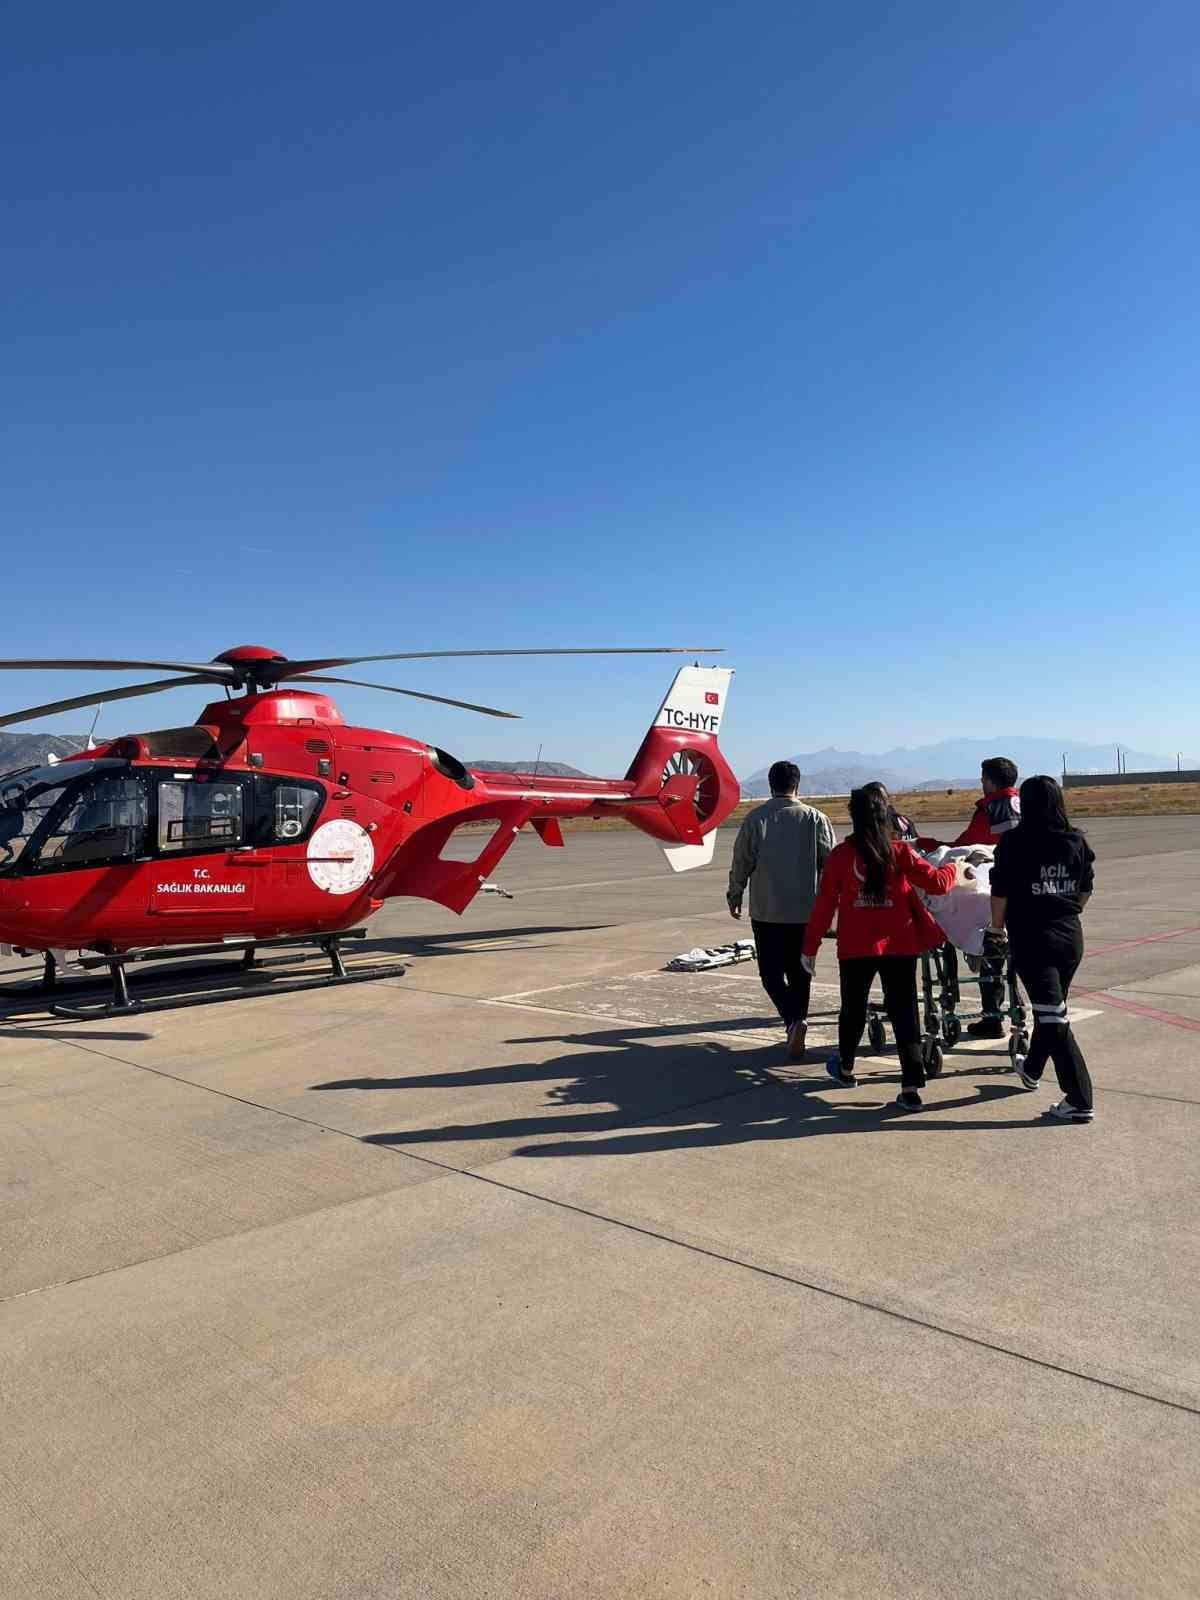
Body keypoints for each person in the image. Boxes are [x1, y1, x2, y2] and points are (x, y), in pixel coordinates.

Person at [802, 783, 966, 1110]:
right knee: (905, 1012)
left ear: (853, 815)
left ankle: (846, 1068)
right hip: (900, 944)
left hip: (855, 946)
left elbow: (823, 907)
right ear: (885, 814)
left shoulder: (840, 857)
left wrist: (810, 947)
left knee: (852, 1009)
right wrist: (955, 867)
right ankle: (910, 1087)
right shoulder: (900, 852)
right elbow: (937, 882)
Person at [988, 775, 1096, 1122]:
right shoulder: (1076, 841)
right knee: (1051, 1010)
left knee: (1053, 1016)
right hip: (1069, 937)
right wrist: (1067, 910)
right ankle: (1032, 1069)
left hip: (1034, 940)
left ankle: (1079, 1099)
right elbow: (1085, 888)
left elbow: (1000, 892)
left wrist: (996, 929)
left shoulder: (1014, 842)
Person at [727, 761, 836, 1060]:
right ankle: (796, 1023)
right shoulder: (816, 819)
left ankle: (792, 1021)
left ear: (770, 785)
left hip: (767, 912)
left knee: (770, 975)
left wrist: (735, 893)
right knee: (802, 973)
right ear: (797, 785)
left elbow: (742, 861)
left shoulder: (756, 819)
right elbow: (830, 865)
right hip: (806, 913)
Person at [918, 757, 1022, 1039]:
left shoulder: (995, 808)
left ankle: (989, 1015)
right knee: (1003, 954)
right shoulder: (1020, 804)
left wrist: (930, 846)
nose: (980, 783)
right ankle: (1010, 1008)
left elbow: (972, 846)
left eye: (982, 778)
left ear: (989, 780)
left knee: (983, 941)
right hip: (1020, 891)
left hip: (993, 889)